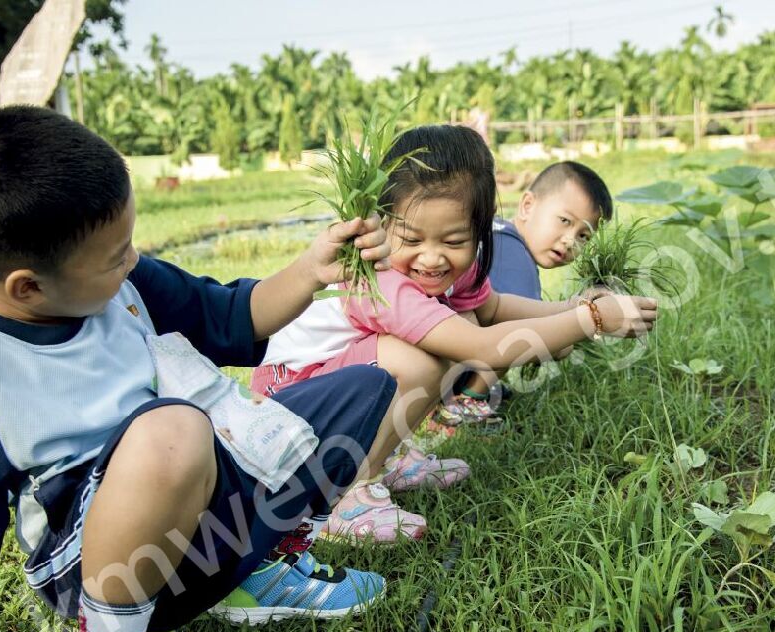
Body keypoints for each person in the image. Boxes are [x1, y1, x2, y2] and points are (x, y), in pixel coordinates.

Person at [0, 105, 404, 632]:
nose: (133, 259)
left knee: (363, 391)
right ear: (29, 286)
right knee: (174, 429)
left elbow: (233, 316)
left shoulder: (125, 283)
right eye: (115, 255)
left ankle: (249, 573)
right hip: (96, 570)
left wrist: (313, 266)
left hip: (192, 508)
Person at [251, 125, 657, 545]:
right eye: (411, 239)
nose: (431, 257)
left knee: (447, 337)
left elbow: (494, 309)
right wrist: (591, 319)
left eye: (454, 240)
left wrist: (574, 307)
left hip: (337, 388)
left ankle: (385, 458)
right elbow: (484, 348)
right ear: (383, 225)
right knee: (427, 355)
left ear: (480, 231)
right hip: (289, 402)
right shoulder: (382, 281)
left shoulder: (459, 268)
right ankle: (343, 497)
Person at [444, 161, 616, 425]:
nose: (570, 241)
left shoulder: (497, 233)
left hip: (441, 343)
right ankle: (466, 400)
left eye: (584, 236)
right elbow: (521, 324)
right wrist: (566, 337)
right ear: (527, 206)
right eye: (564, 221)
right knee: (521, 332)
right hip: (446, 357)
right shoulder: (514, 254)